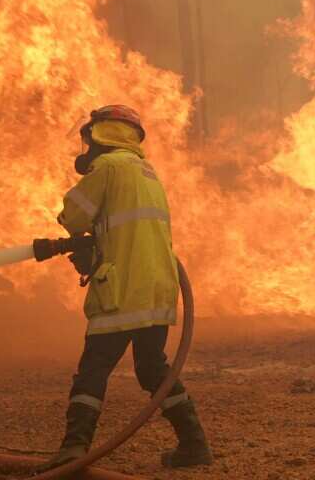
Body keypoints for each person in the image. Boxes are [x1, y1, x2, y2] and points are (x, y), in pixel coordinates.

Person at [43, 104, 212, 470]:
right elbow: (128, 231)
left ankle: (74, 448)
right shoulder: (147, 172)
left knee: (94, 366)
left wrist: (78, 231)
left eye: (89, 138)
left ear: (103, 133)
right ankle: (194, 444)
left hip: (122, 290)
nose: (86, 147)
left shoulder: (107, 168)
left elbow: (74, 217)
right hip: (156, 288)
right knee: (152, 368)